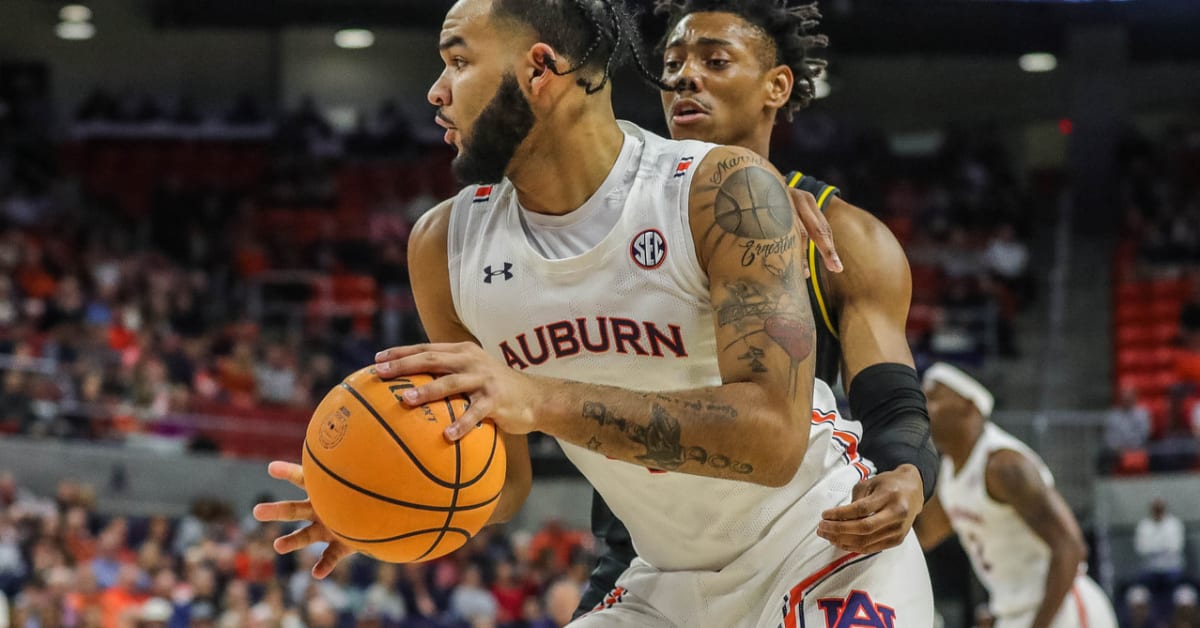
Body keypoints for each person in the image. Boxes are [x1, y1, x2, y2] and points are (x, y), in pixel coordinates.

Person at [256, 0, 933, 626]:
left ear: (541, 69)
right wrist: (377, 499)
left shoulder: (721, 190)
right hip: (666, 582)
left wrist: (538, 398)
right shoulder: (442, 247)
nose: (436, 91)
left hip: (823, 547)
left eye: (458, 61)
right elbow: (507, 481)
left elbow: (775, 442)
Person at [577, 0, 941, 615]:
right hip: (650, 554)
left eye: (715, 60)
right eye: (672, 64)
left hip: (797, 537)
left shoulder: (847, 238)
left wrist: (908, 476)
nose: (686, 77)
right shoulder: (606, 221)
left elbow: (894, 404)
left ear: (778, 86)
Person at [914, 362, 1117, 628]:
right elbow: (921, 537)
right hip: (1015, 613)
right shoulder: (950, 474)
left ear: (969, 406)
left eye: (933, 396)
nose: (924, 406)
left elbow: (1071, 547)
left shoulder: (1003, 465)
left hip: (1061, 608)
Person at [1133, 497, 1187, 601]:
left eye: (1160, 508)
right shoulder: (1144, 525)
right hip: (1149, 568)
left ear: (1164, 509)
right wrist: (1163, 547)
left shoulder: (1174, 524)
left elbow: (1176, 547)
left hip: (1171, 567)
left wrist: (1153, 548)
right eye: (1156, 508)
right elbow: (1141, 549)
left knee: (1174, 584)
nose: (1158, 511)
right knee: (1143, 589)